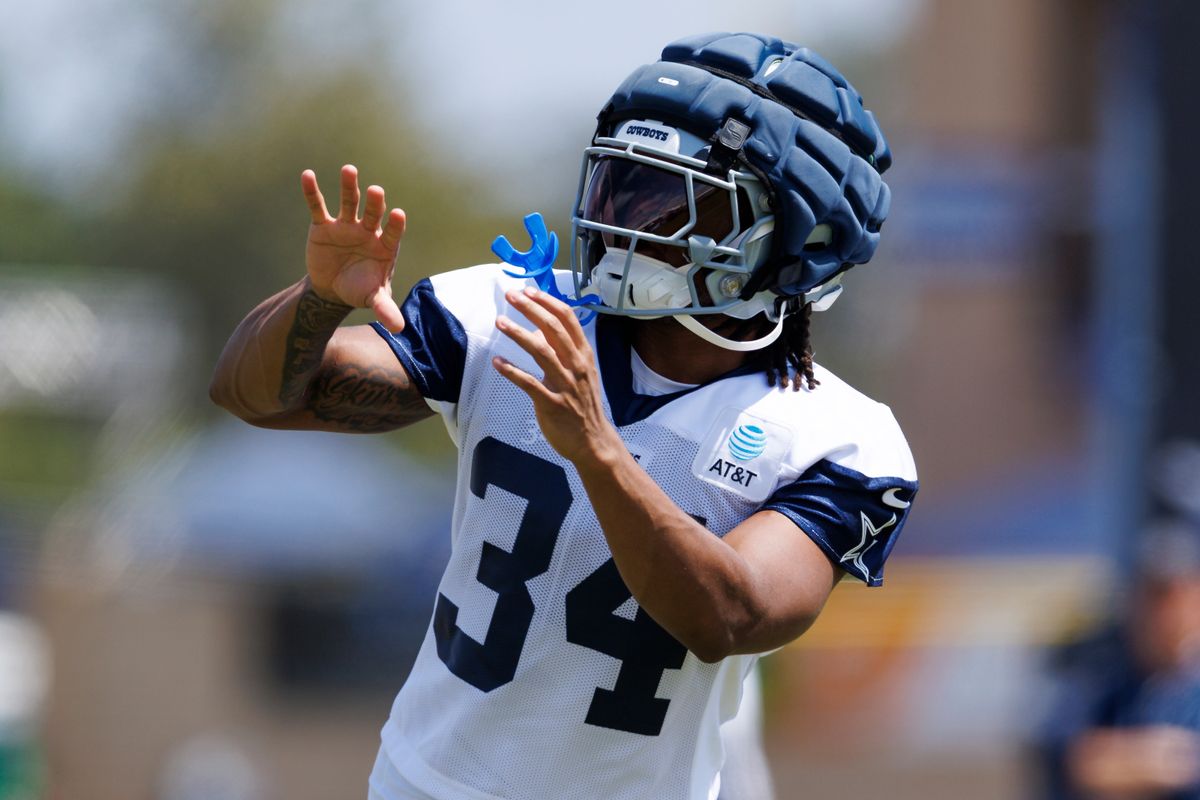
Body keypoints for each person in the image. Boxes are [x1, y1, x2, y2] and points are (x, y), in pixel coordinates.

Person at [210, 32, 918, 800]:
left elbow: (732, 616)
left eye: (674, 200)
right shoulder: (511, 313)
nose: (628, 221)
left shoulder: (843, 438)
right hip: (425, 785)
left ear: (790, 239)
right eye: (624, 184)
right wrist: (318, 301)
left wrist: (598, 451)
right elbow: (253, 394)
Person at [1036, 517, 1200, 800]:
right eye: (1156, 595)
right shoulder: (1100, 672)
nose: (1168, 613)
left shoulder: (1191, 685)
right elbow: (1074, 760)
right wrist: (1157, 761)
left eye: (1180, 594)